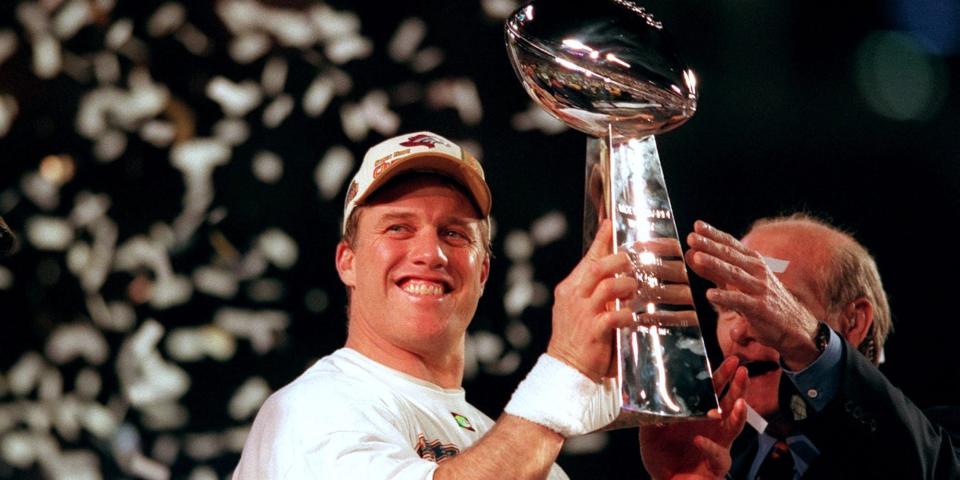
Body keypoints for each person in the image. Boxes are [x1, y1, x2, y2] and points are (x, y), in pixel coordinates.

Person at [233, 131, 746, 480]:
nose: (430, 253)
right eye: (398, 228)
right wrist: (563, 374)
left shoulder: (508, 446)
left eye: (454, 233)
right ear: (347, 262)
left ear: (482, 271)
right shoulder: (310, 411)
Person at [665, 213, 960, 479]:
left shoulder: (939, 442)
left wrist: (807, 342)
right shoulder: (705, 460)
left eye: (773, 302)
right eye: (730, 306)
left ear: (853, 322)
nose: (740, 331)